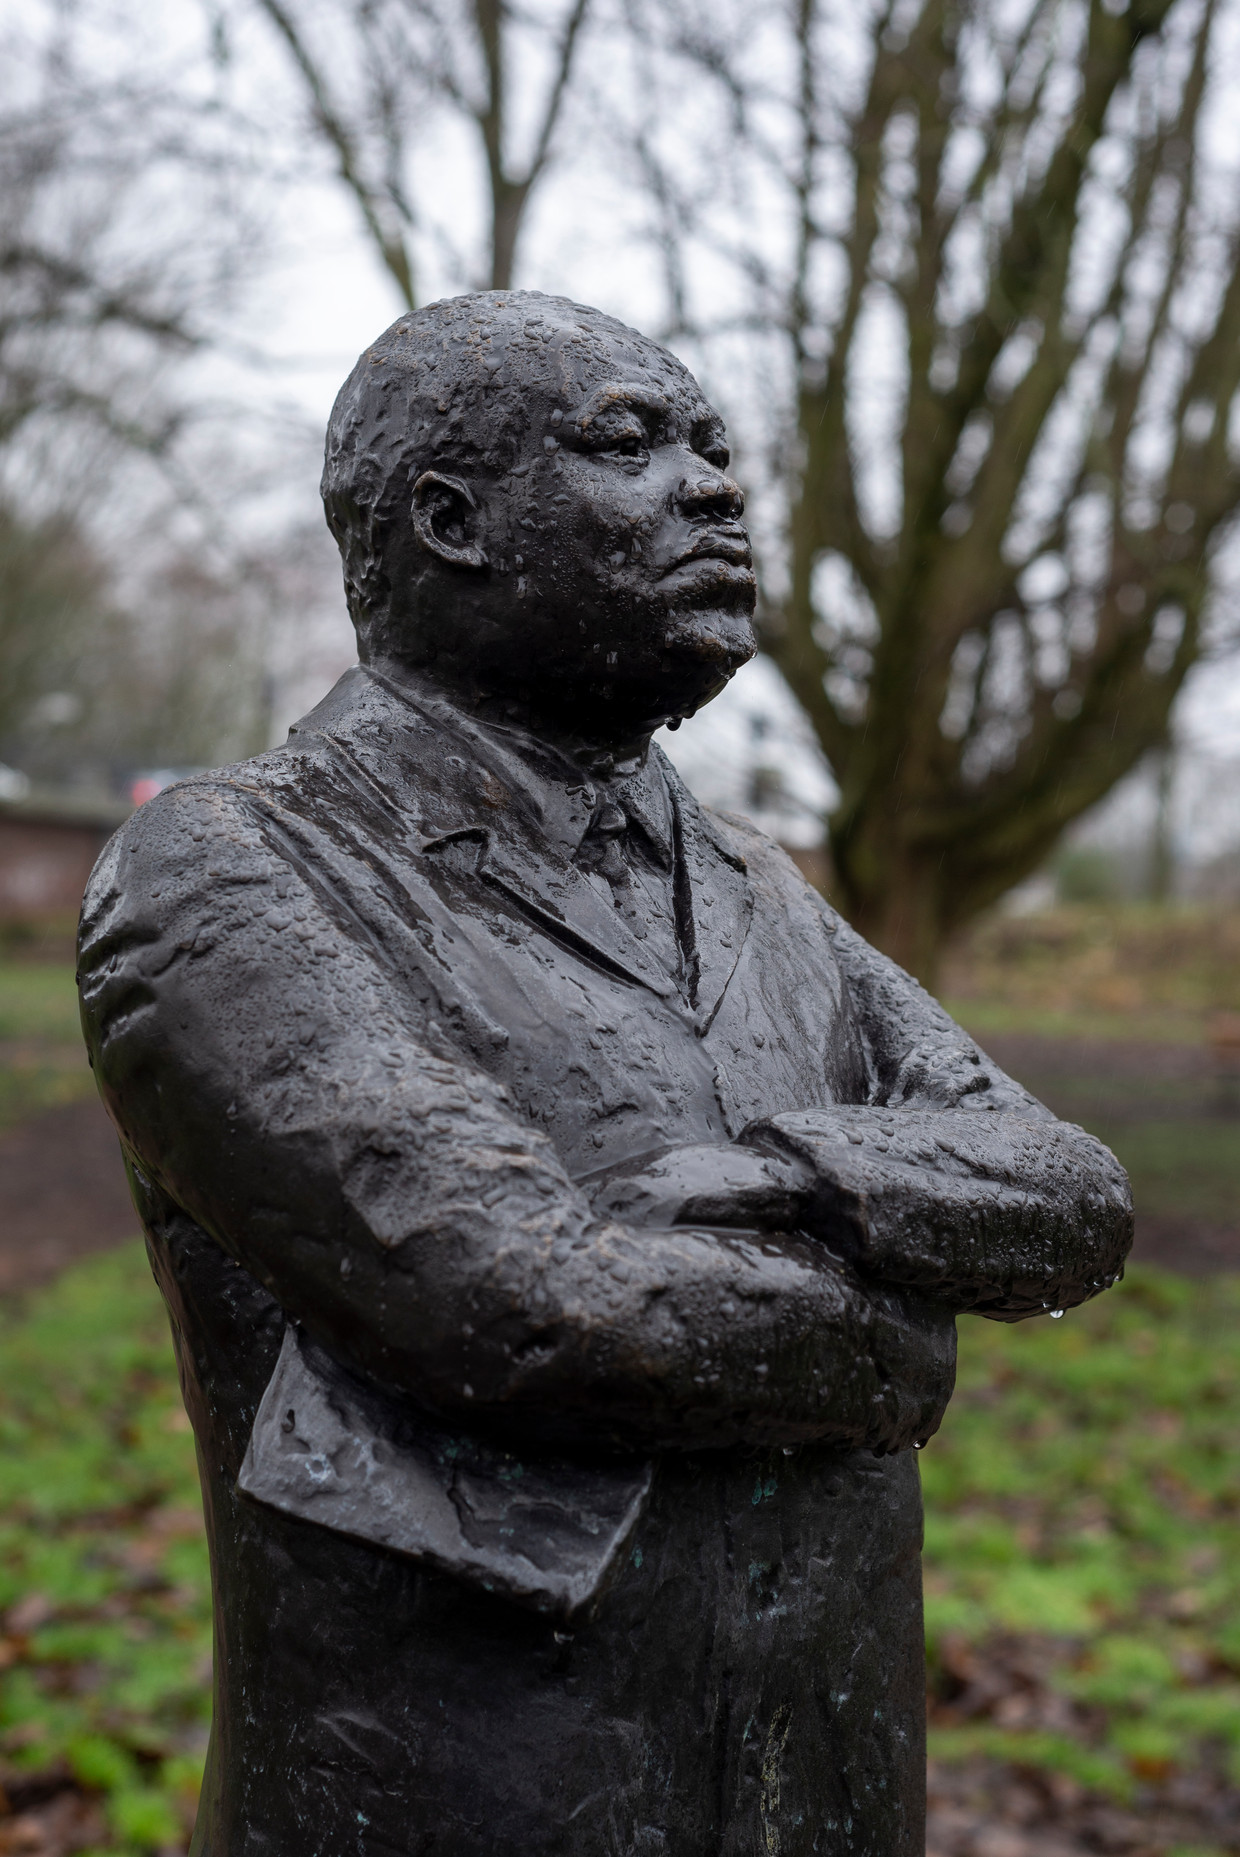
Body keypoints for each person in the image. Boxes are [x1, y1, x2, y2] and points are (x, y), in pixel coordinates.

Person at [77, 291, 1132, 1857]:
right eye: (630, 445)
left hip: (826, 1781)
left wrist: (790, 1171)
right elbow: (522, 1302)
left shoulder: (762, 882)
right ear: (448, 521)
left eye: (716, 445)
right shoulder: (231, 865)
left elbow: (1073, 1192)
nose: (712, 485)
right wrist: (898, 1348)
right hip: (458, 1791)